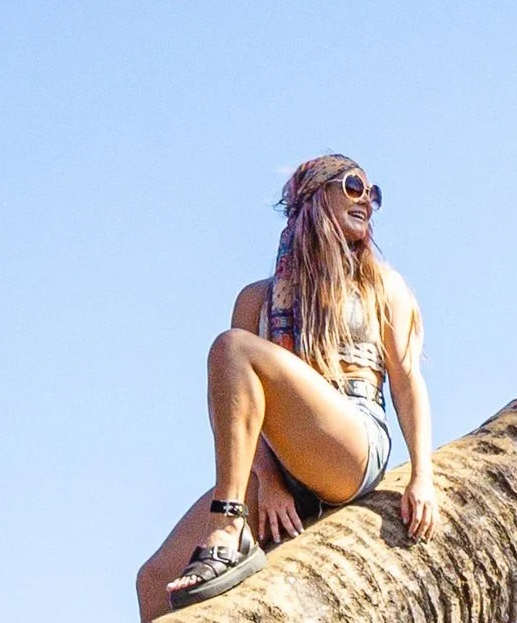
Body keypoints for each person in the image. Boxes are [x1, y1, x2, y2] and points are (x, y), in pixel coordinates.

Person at [134, 155, 442, 618]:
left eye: (374, 194)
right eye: (355, 186)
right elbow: (240, 411)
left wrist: (423, 476)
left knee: (234, 348)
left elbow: (406, 381)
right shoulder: (256, 298)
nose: (368, 202)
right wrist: (269, 482)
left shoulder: (382, 285)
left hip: (349, 442)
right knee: (154, 581)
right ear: (313, 196)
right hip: (279, 457)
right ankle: (232, 518)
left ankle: (227, 528)